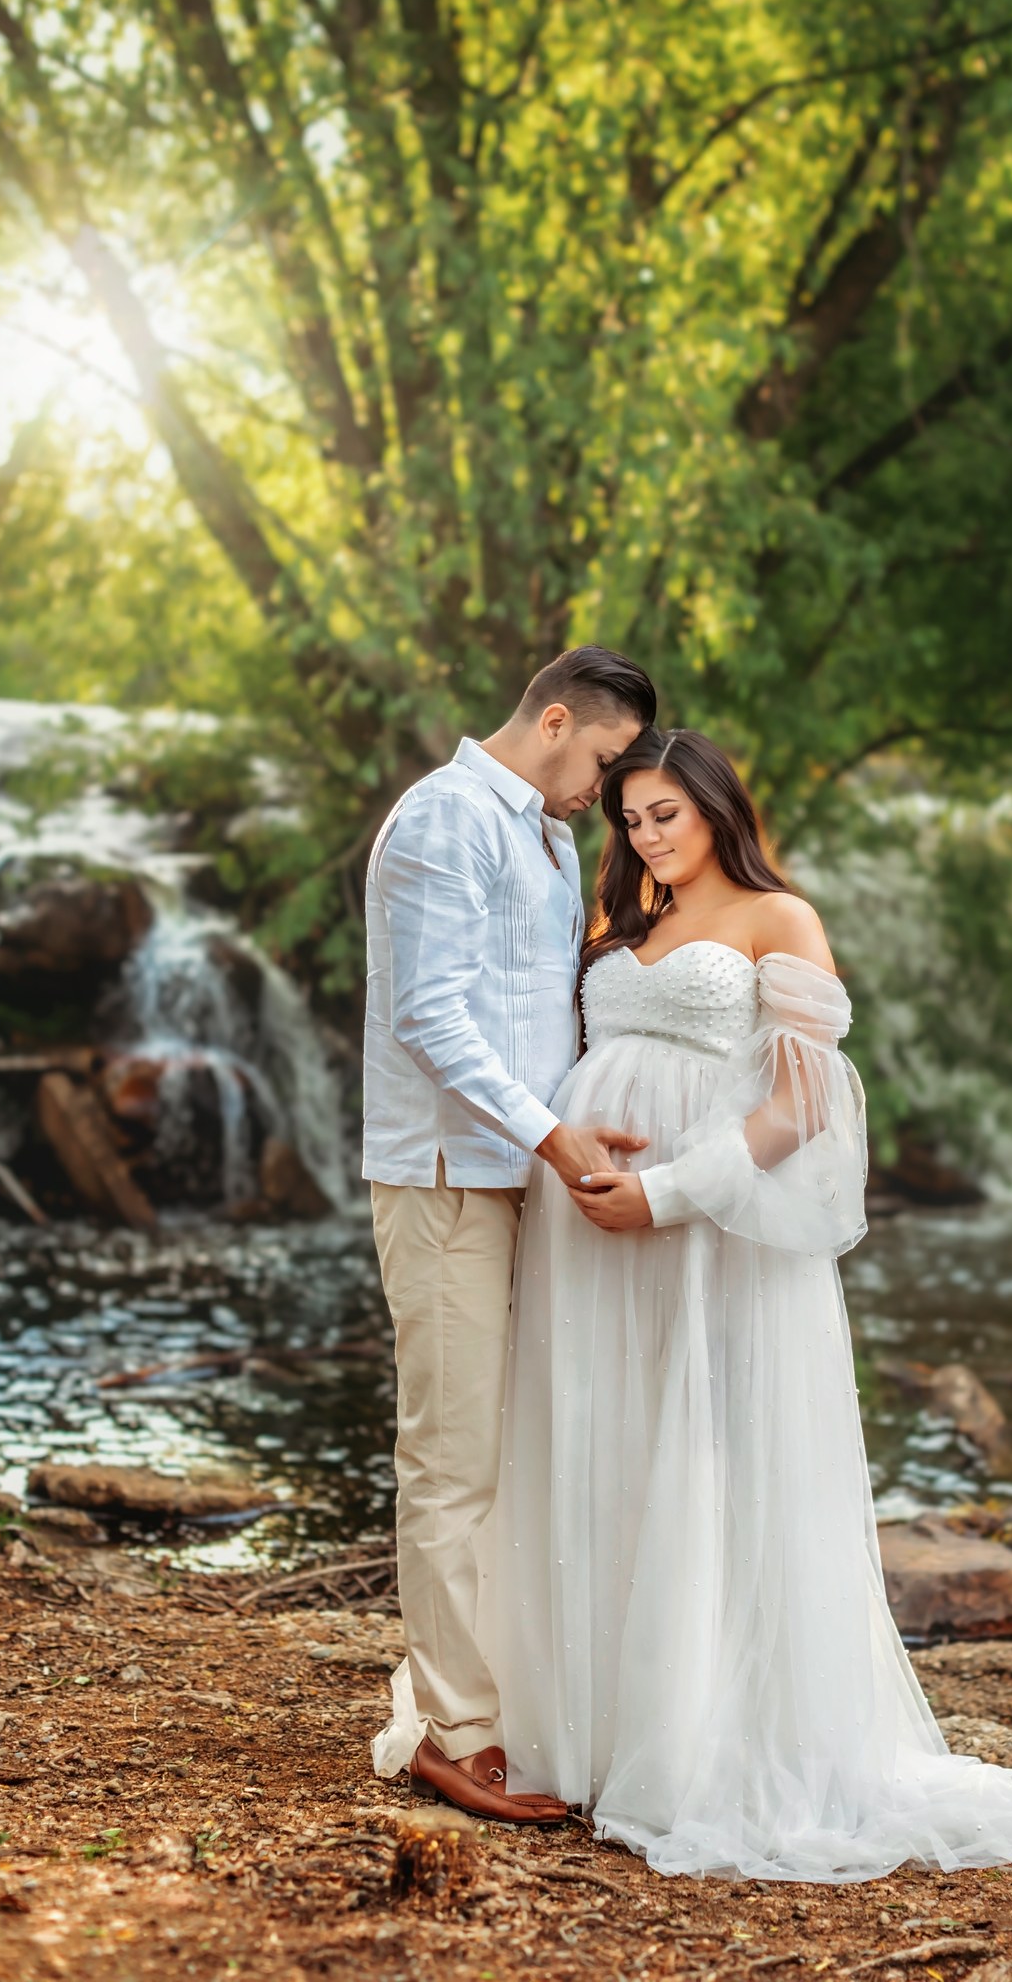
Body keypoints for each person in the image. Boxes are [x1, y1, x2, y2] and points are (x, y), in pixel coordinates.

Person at [468, 725, 1012, 1879]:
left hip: (711, 1229)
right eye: (632, 817)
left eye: (667, 811)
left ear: (716, 806)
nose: (648, 834)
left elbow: (805, 1109)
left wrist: (666, 1191)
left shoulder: (779, 918)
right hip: (588, 1224)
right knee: (605, 1439)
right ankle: (598, 1730)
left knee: (710, 1449)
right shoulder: (625, 924)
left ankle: (703, 1739)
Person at [365, 646, 656, 1825]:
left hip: (517, 1174)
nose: (608, 789)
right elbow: (429, 1013)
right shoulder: (446, 818)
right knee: (450, 1456)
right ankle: (455, 1731)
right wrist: (552, 1137)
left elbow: (537, 1013)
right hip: (446, 1177)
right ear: (551, 720)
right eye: (602, 759)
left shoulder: (544, 832)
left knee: (515, 1449)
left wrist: (594, 1119)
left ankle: (498, 1688)